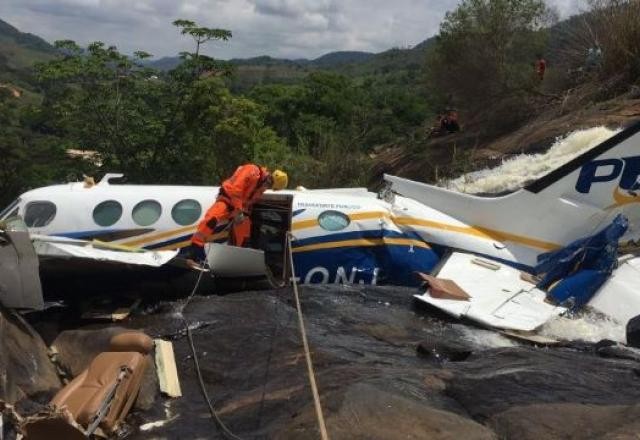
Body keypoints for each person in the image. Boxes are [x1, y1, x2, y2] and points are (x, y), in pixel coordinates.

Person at [183, 164, 288, 263]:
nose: (267, 187)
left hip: (238, 209)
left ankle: (238, 257)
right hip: (227, 200)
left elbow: (249, 202)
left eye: (270, 186)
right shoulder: (252, 170)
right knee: (211, 219)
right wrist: (238, 211)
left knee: (245, 231)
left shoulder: (260, 188)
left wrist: (244, 213)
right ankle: (194, 249)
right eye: (269, 183)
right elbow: (236, 190)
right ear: (269, 177)